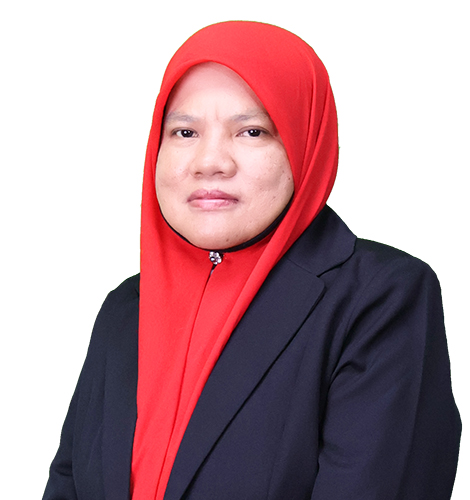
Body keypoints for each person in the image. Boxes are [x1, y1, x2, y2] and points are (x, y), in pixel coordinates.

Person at [43, 21, 461, 500]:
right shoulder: (126, 309)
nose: (210, 162)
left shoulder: (380, 298)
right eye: (184, 131)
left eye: (252, 131)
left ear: (305, 144)